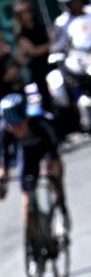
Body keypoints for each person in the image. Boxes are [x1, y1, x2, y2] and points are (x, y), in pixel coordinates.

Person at [0, 93, 67, 232]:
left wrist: (51, 162)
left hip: (46, 148)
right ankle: (32, 233)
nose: (17, 129)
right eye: (13, 126)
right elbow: (3, 157)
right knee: (26, 198)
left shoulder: (40, 120)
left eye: (20, 123)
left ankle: (62, 208)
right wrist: (3, 178)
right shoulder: (4, 129)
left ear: (27, 117)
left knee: (54, 174)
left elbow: (54, 144)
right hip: (27, 152)